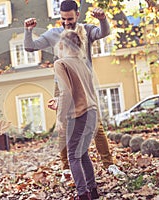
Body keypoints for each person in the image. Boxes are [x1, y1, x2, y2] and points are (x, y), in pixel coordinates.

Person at [24, 0, 125, 181]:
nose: (67, 22)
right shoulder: (54, 33)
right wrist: (28, 31)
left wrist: (102, 19)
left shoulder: (85, 30)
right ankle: (66, 169)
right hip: (61, 83)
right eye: (63, 19)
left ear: (77, 14)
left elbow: (104, 32)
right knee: (63, 127)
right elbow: (30, 46)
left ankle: (109, 164)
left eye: (70, 18)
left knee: (95, 125)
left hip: (84, 82)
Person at [55, 28, 99, 200]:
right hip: (92, 112)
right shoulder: (83, 63)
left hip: (79, 115)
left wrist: (59, 117)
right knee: (83, 153)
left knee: (73, 156)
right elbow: (86, 91)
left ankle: (83, 194)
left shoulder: (61, 63)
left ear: (61, 45)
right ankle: (92, 190)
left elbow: (66, 92)